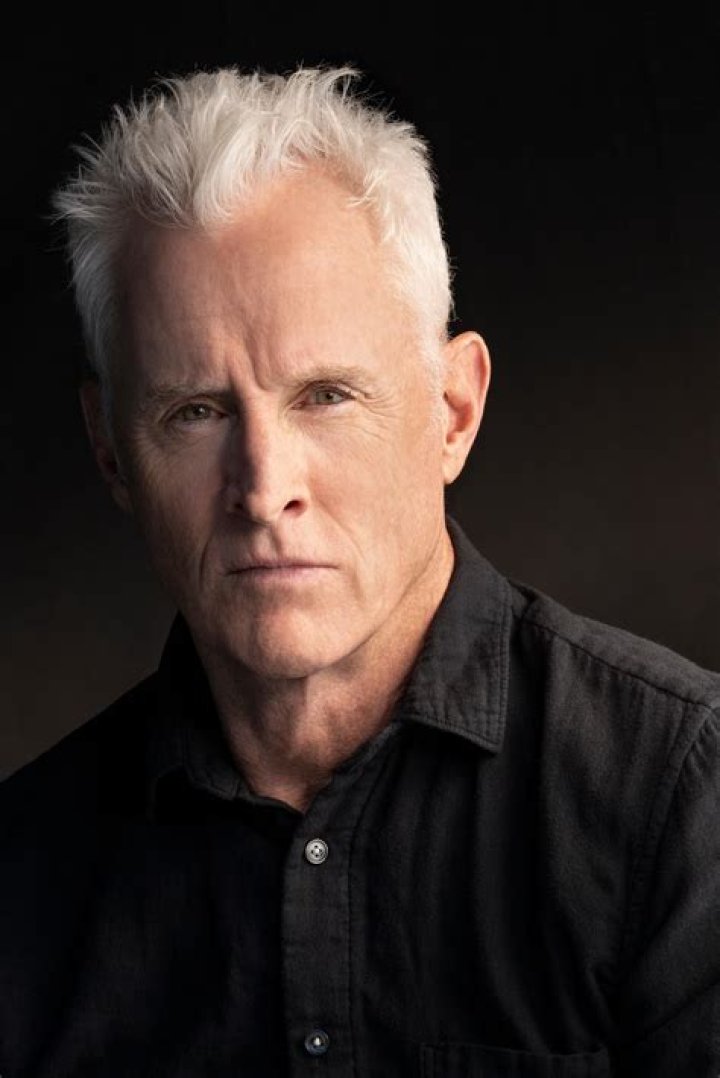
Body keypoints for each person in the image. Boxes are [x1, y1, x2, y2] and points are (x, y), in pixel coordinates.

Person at [1, 65, 718, 1077]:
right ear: (111, 451)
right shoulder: (22, 878)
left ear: (452, 411)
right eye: (195, 412)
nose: (264, 488)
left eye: (326, 396)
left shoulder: (682, 794)